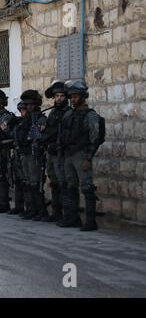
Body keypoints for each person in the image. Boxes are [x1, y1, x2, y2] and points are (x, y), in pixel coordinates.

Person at [59, 79, 101, 231]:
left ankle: (90, 221)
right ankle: (72, 217)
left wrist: (88, 158)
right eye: (71, 97)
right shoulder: (68, 114)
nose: (73, 99)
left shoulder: (90, 115)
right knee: (70, 187)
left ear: (83, 97)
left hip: (81, 155)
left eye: (76, 96)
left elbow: (95, 139)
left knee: (87, 188)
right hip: (68, 155)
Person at [42, 80, 71, 223]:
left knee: (63, 183)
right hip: (52, 152)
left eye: (61, 96)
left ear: (66, 97)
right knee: (54, 183)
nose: (59, 98)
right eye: (57, 96)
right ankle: (56, 212)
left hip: (63, 154)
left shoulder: (68, 113)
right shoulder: (53, 112)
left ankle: (67, 215)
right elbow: (49, 130)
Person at [18, 90, 48, 221]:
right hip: (25, 153)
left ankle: (41, 211)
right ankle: (31, 209)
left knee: (36, 184)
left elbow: (37, 137)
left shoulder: (40, 119)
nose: (29, 107)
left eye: (31, 104)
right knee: (28, 183)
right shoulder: (25, 120)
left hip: (34, 155)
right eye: (27, 105)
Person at [8, 102, 29, 216]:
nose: (22, 113)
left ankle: (30, 208)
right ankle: (19, 206)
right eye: (20, 111)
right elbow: (12, 135)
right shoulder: (19, 123)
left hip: (27, 154)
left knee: (28, 181)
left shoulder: (30, 123)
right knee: (18, 181)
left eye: (24, 110)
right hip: (17, 154)